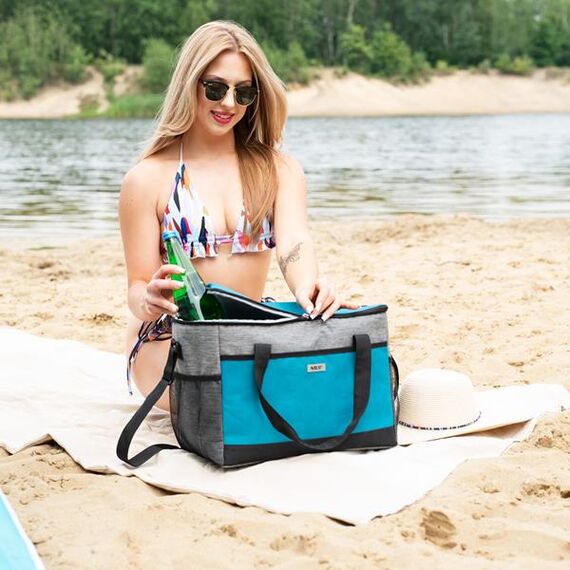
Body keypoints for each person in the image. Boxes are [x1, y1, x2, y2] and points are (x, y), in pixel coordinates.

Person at [119, 20, 358, 410]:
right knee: (235, 399)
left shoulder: (278, 169)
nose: (229, 103)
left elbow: (294, 242)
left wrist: (308, 288)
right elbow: (137, 287)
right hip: (170, 340)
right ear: (189, 84)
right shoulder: (146, 179)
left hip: (245, 332)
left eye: (243, 92)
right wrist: (148, 299)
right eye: (215, 88)